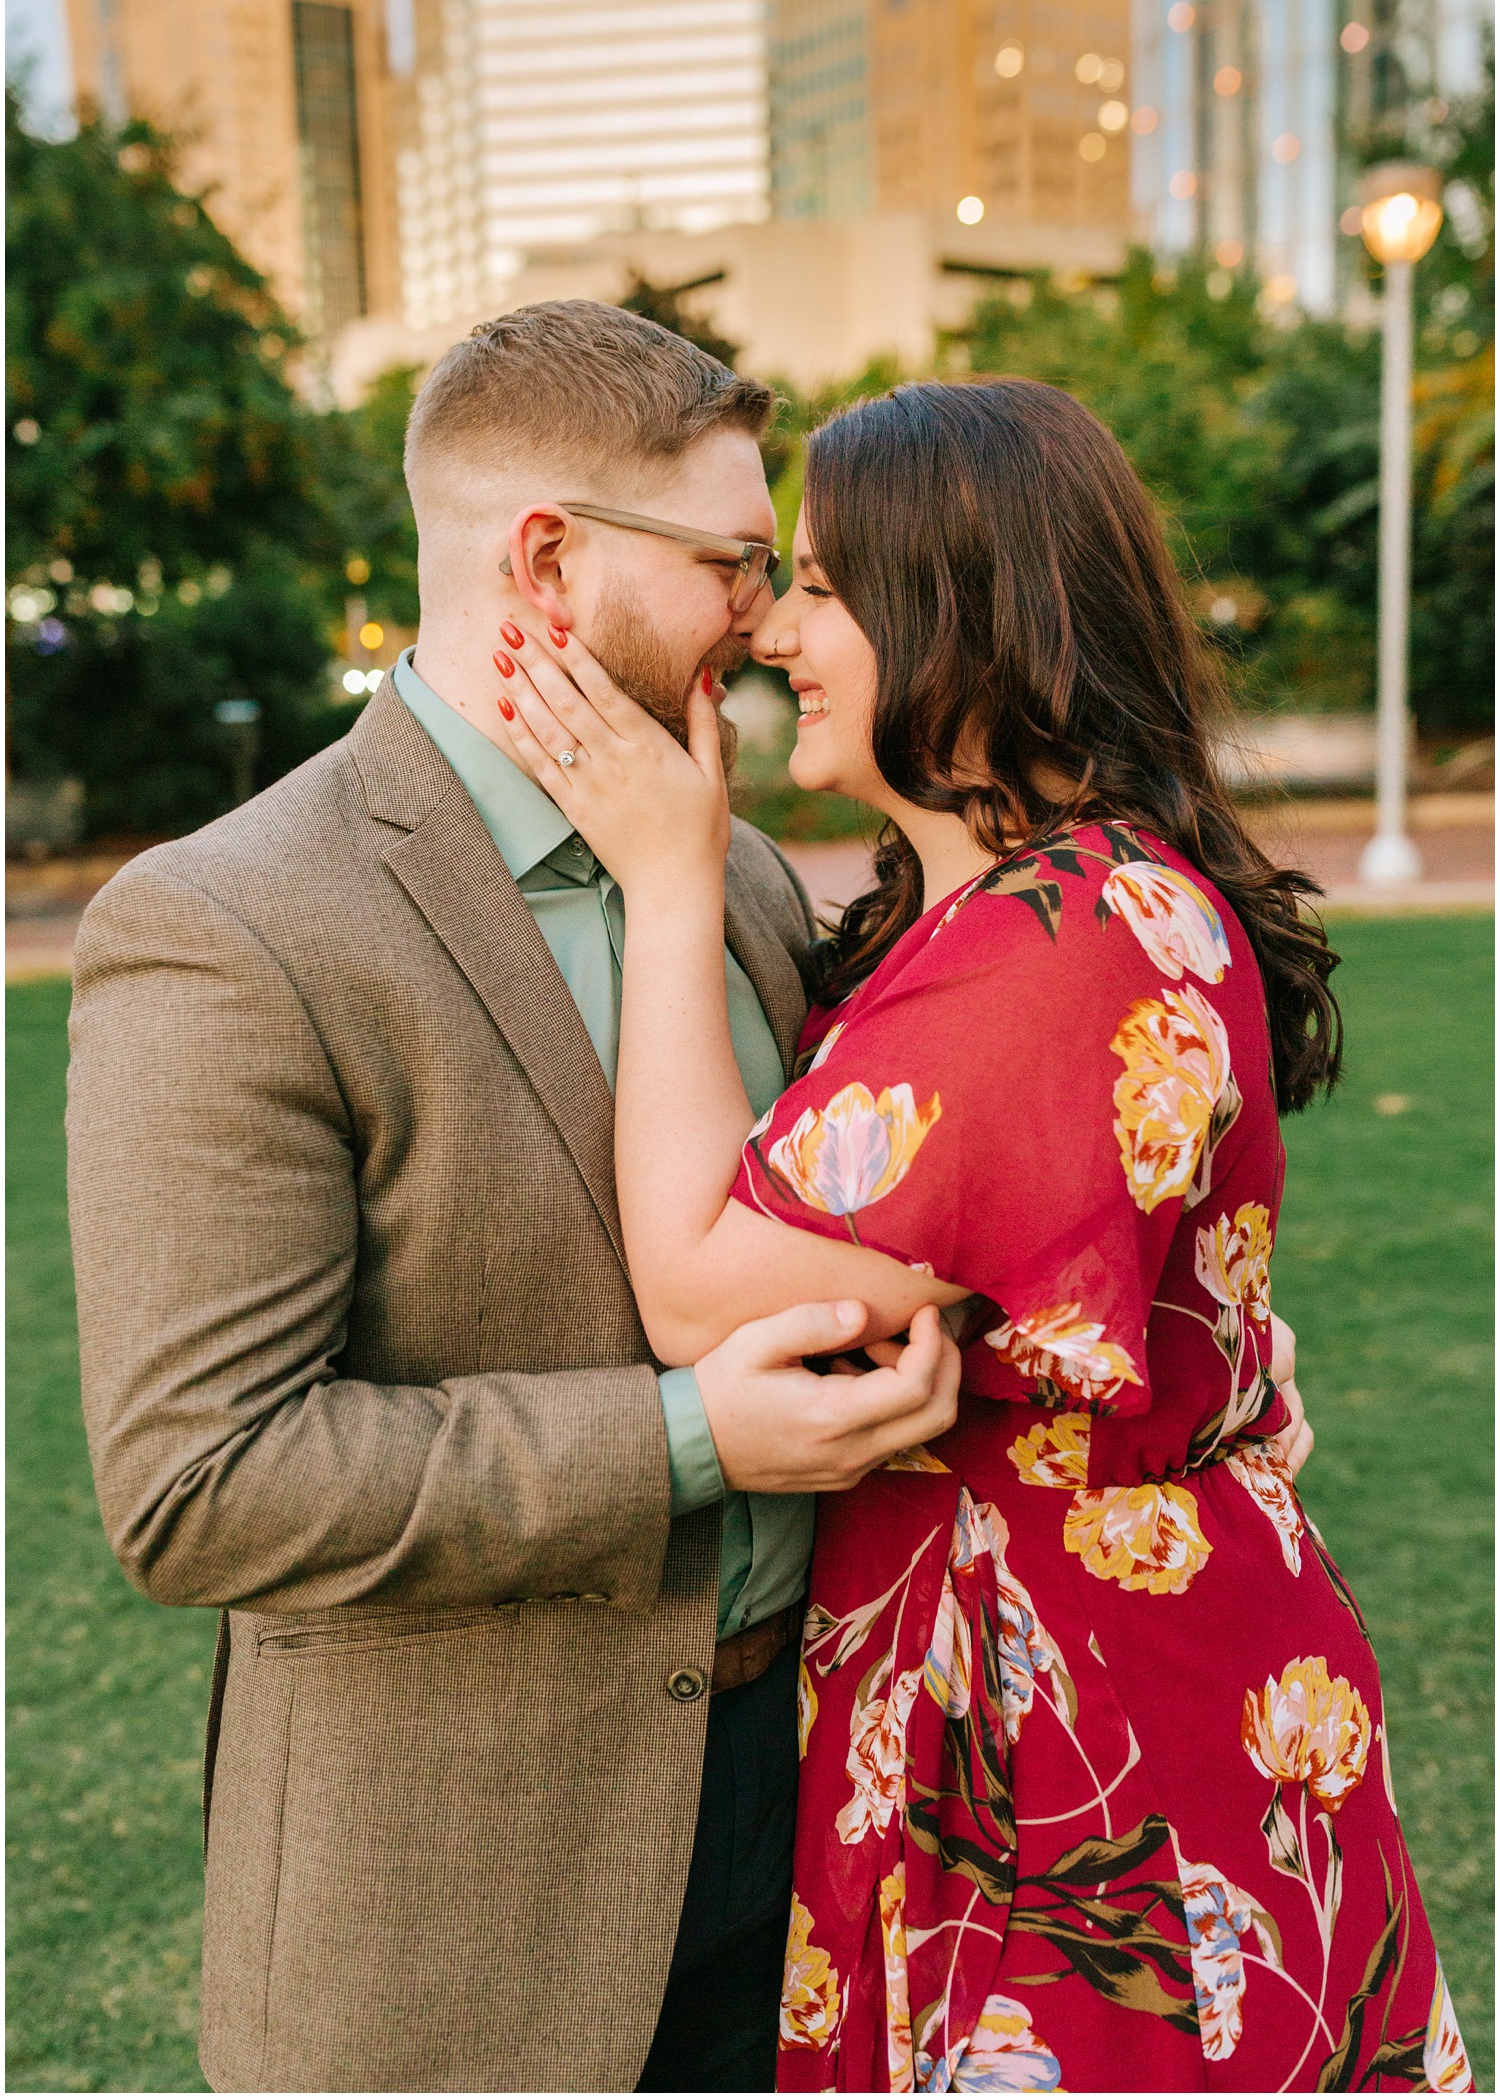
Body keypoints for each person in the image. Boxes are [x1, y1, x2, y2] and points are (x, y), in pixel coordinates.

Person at [492, 375, 1471, 2094]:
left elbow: (695, 1292)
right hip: (1052, 1680)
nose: (777, 627)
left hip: (1079, 1727)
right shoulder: (1020, 903)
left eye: (821, 583)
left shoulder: (1062, 940)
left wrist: (665, 876)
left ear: (960, 605)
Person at [64, 302, 967, 2096]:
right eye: (735, 561)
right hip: (460, 1922)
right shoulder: (230, 925)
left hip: (819, 1832)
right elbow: (199, 1487)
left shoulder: (751, 877)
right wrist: (692, 1440)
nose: (769, 617)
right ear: (545, 561)